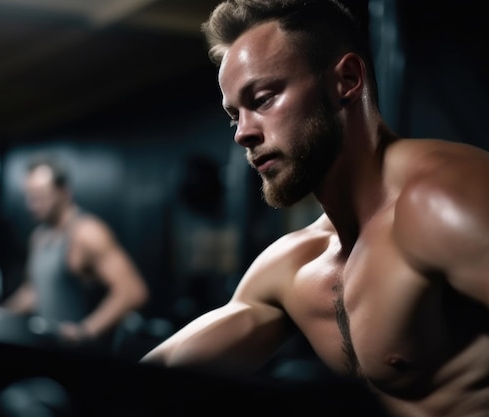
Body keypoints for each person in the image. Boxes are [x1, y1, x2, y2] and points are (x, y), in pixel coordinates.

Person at [140, 1, 489, 416]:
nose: (243, 134)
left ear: (346, 80)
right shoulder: (296, 265)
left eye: (264, 99)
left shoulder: (442, 199)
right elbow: (145, 382)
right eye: (235, 115)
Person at [2, 155, 149, 354]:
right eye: (28, 196)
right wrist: (0, 315)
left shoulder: (87, 233)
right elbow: (35, 291)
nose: (31, 204)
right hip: (47, 348)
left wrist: (85, 331)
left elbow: (132, 291)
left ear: (64, 192)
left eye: (39, 196)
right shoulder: (39, 236)